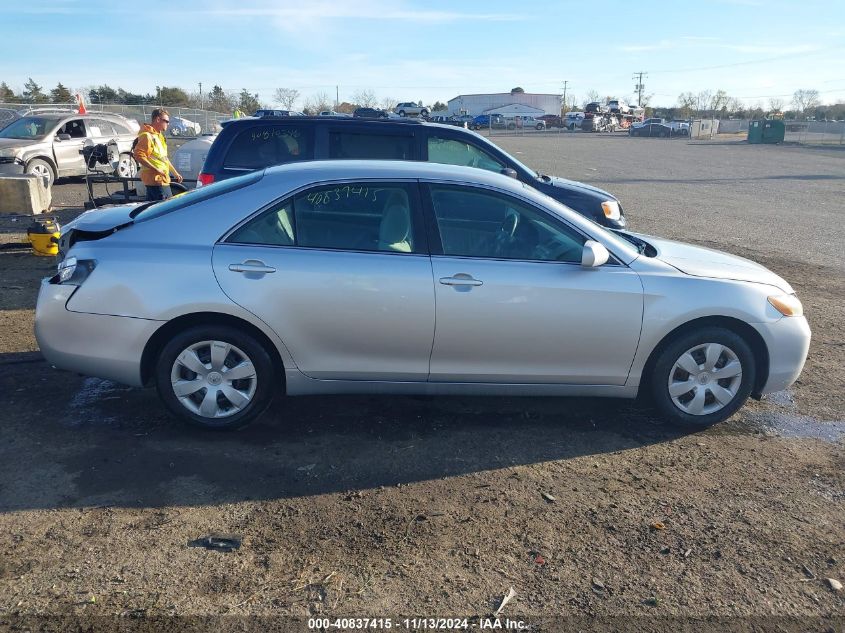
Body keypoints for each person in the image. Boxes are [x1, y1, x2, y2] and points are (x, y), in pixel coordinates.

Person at [133, 108, 182, 201]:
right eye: (166, 121)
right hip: (156, 181)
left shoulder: (159, 136)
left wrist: (175, 173)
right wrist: (156, 169)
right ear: (158, 120)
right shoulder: (147, 136)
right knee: (165, 210)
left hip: (161, 180)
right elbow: (138, 155)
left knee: (155, 210)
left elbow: (164, 158)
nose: (168, 124)